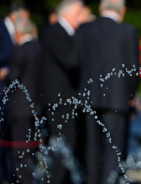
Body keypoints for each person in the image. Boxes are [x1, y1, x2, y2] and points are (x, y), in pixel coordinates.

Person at [73, 0, 139, 183]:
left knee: (91, 148)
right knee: (113, 149)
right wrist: (130, 96)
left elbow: (74, 63)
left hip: (89, 97)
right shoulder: (128, 31)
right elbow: (133, 69)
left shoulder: (84, 30)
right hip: (117, 100)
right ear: (123, 11)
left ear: (101, 8)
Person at [40, 0, 84, 183]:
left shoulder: (63, 33)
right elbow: (72, 62)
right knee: (63, 144)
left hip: (63, 100)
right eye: (79, 14)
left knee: (66, 144)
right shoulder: (57, 33)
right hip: (59, 101)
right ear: (68, 15)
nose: (82, 18)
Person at [4, 18, 41, 184]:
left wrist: (4, 74)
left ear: (18, 32)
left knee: (20, 149)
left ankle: (22, 180)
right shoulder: (41, 49)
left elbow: (13, 77)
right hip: (37, 106)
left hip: (20, 108)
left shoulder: (20, 50)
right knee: (32, 147)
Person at [0, 3, 29, 183]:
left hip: (14, 94)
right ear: (14, 15)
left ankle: (11, 175)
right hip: (2, 87)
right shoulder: (2, 29)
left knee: (11, 137)